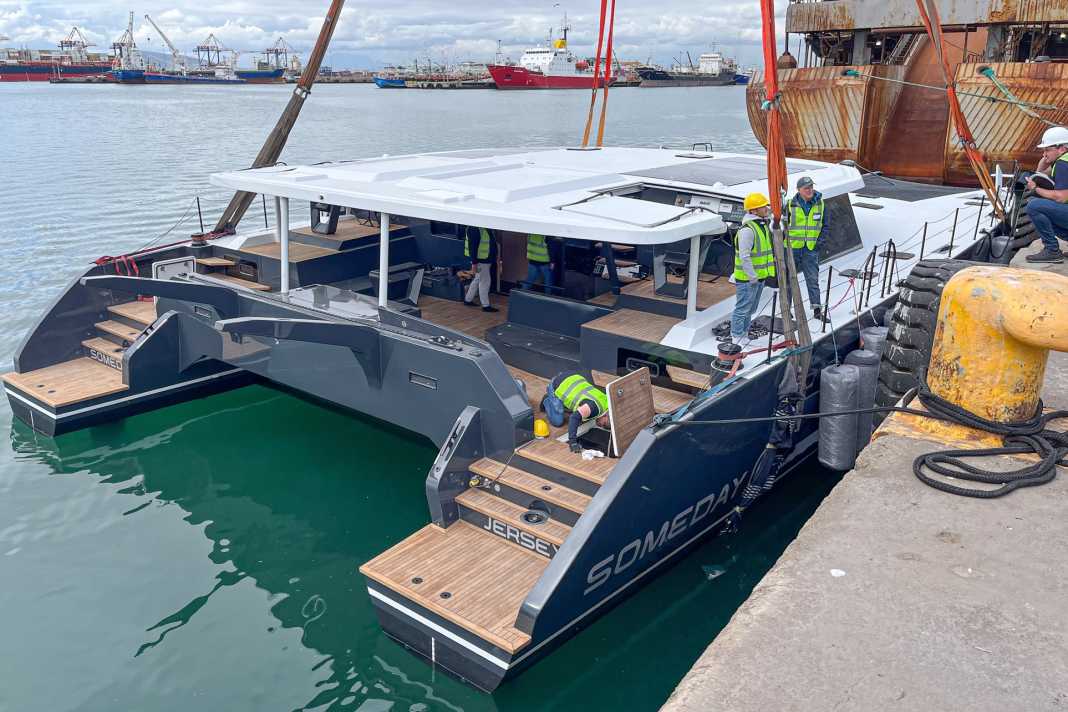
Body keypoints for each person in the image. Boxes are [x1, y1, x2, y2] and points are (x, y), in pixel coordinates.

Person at [730, 192, 776, 344]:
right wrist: (752, 277)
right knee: (743, 308)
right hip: (748, 279)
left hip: (758, 277)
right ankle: (736, 337)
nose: (766, 208)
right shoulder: (748, 230)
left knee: (750, 309)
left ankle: (743, 333)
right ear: (753, 211)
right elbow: (745, 256)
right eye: (763, 207)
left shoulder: (761, 226)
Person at [1024, 125, 1068, 264]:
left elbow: (1062, 197)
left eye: (1047, 149)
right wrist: (1046, 157)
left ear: (1062, 148)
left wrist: (1035, 189)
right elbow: (1040, 173)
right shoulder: (1063, 160)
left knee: (1034, 206)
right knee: (1045, 207)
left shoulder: (1062, 164)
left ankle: (1052, 250)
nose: (1044, 153)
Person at [786, 176, 828, 320]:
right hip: (792, 248)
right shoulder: (789, 205)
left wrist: (818, 243)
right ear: (799, 190)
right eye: (806, 188)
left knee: (812, 279)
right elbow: (780, 226)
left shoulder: (821, 204)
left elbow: (826, 226)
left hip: (810, 249)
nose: (810, 190)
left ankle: (817, 310)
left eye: (811, 187)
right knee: (789, 280)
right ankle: (786, 310)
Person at [542, 371, 611, 454]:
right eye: (603, 424)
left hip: (574, 377)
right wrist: (573, 442)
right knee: (557, 421)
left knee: (581, 413)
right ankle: (549, 399)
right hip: (559, 384)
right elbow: (574, 418)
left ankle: (557, 400)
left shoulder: (608, 401)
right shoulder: (593, 407)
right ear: (605, 415)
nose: (600, 426)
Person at [463, 225, 499, 312]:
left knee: (478, 279)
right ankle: (485, 305)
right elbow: (473, 247)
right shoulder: (474, 229)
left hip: (486, 259)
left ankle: (468, 299)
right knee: (485, 281)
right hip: (481, 261)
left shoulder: (483, 227)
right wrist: (474, 263)